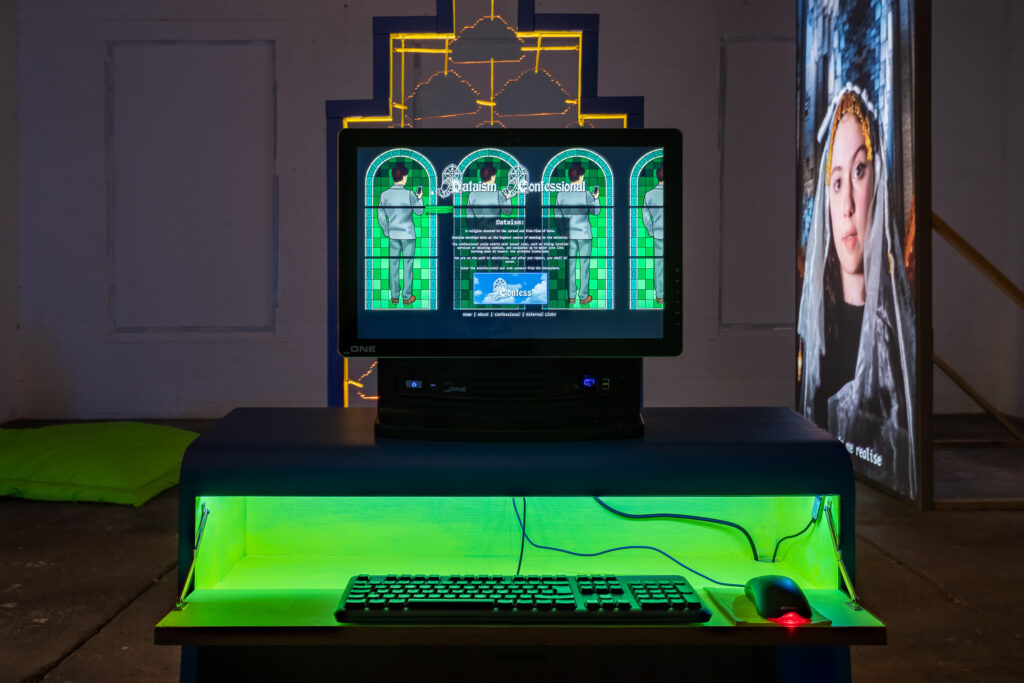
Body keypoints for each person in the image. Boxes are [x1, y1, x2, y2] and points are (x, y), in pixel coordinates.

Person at [797, 85, 917, 498]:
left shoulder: (896, 338)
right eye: (835, 181)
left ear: (878, 180)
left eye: (859, 171)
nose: (846, 202)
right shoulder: (816, 334)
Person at [377, 162, 424, 305]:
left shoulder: (384, 194)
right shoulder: (410, 194)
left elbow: (380, 216)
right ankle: (407, 297)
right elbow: (419, 211)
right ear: (404, 177)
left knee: (394, 265)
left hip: (393, 235)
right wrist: (420, 198)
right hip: (408, 235)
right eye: (406, 176)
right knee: (408, 266)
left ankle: (395, 296)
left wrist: (387, 229)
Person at [555, 162, 600, 305]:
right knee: (584, 265)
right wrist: (596, 198)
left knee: (570, 265)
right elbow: (596, 211)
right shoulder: (586, 194)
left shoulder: (561, 194)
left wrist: (562, 230)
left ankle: (571, 296)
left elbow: (556, 214)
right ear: (581, 176)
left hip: (569, 234)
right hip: (584, 234)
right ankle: (583, 296)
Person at [466, 161, 513, 269]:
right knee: (497, 263)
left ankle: (481, 285)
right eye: (494, 176)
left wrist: (474, 230)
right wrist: (508, 197)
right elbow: (508, 211)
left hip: (480, 232)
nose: (495, 178)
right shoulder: (498, 194)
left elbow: (468, 214)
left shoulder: (472, 194)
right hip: (496, 233)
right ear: (492, 177)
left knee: (482, 262)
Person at [641, 165, 665, 304]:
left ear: (657, 177)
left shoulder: (649, 194)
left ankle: (660, 295)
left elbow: (645, 216)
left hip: (658, 234)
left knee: (659, 265)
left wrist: (651, 229)